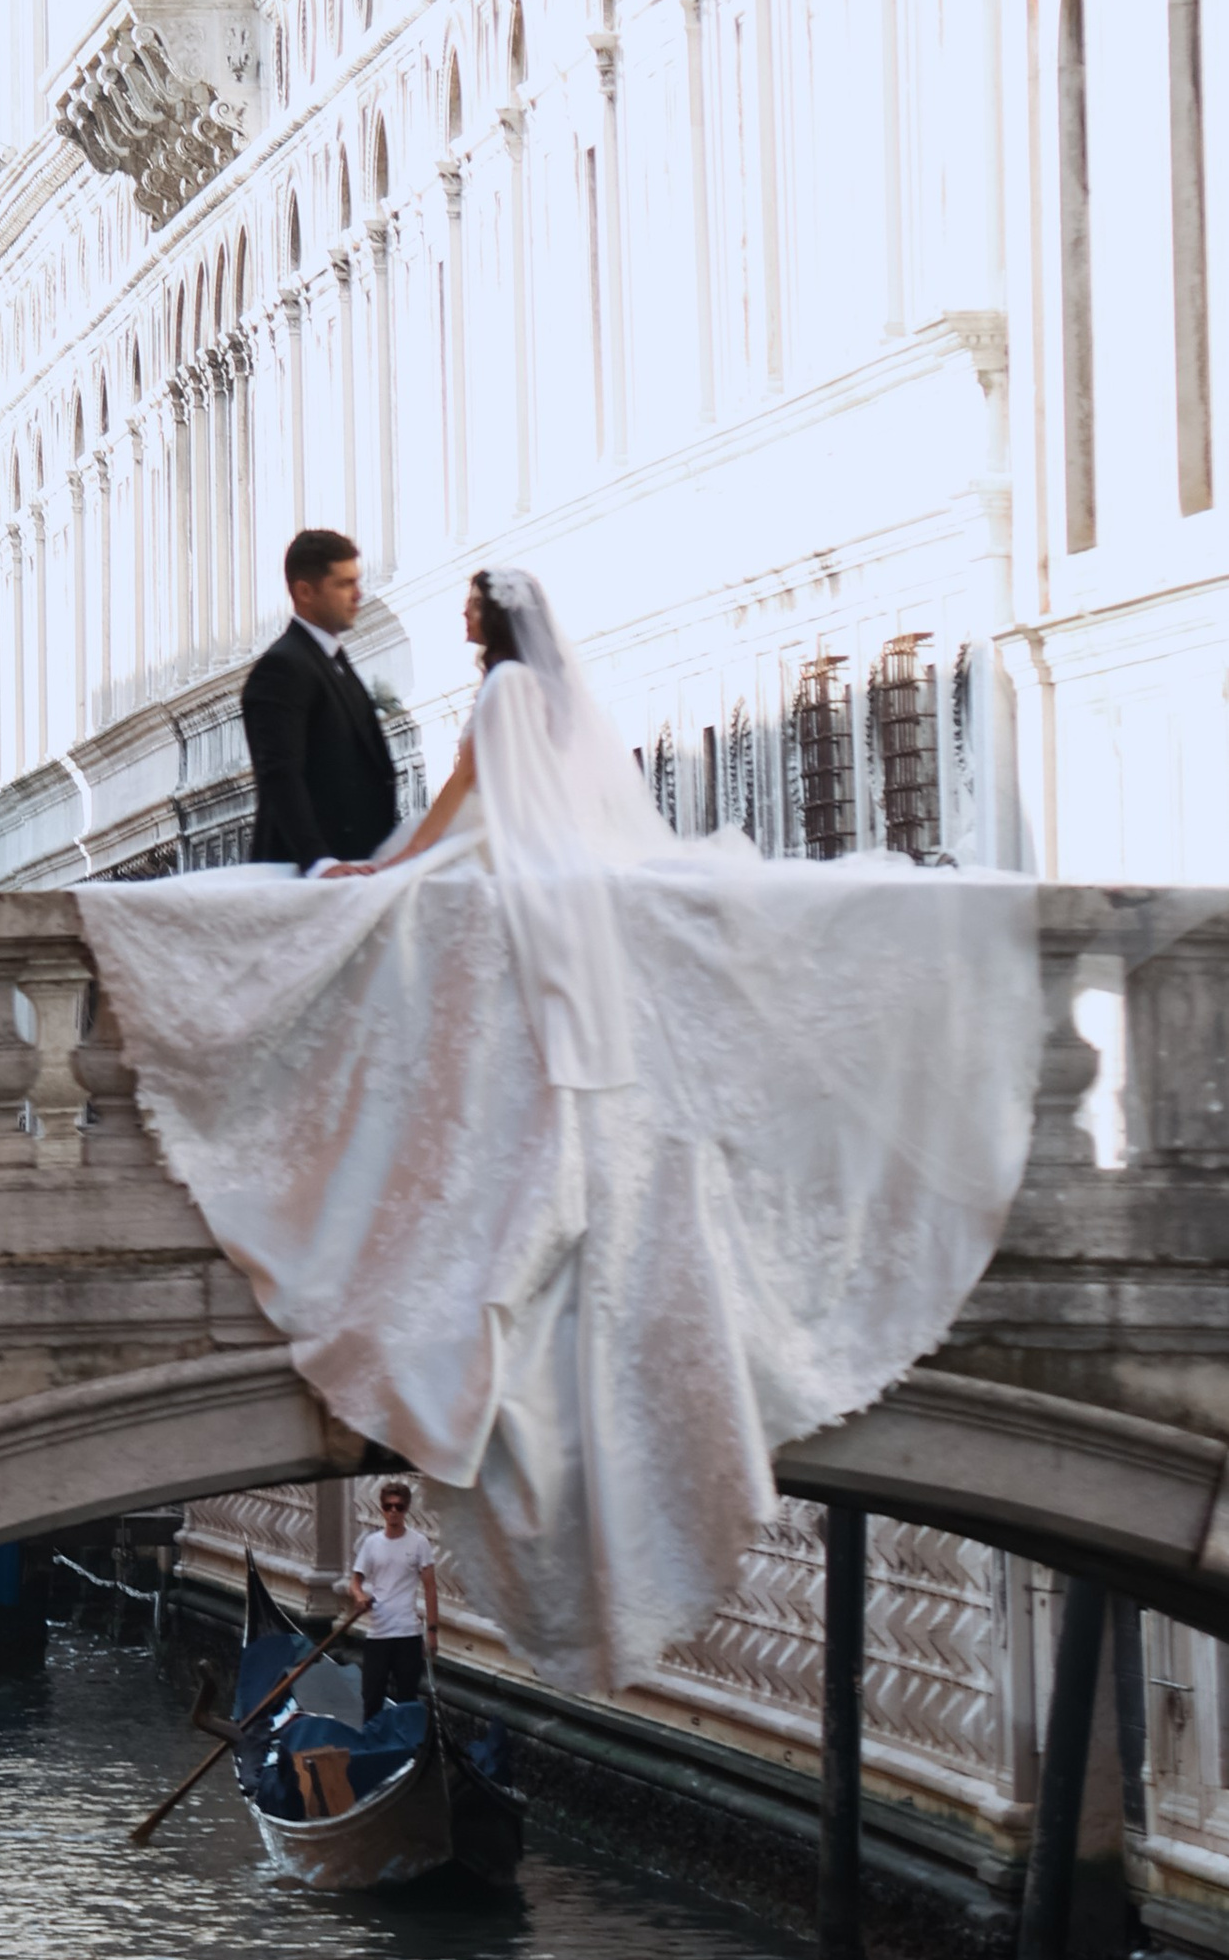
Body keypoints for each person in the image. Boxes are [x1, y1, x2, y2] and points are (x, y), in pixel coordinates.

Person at [77, 563, 1046, 1700]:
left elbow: (458, 810)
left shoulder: (494, 701)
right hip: (550, 904)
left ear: (493, 622)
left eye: (469, 610)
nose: (459, 620)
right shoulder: (550, 700)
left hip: (497, 894)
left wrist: (380, 866)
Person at [241, 529, 398, 871]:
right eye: (344, 584)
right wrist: (318, 861)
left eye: (357, 582)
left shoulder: (332, 659)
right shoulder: (281, 667)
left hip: (357, 865)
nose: (358, 595)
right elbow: (280, 773)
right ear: (305, 592)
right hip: (308, 876)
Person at [351, 1478, 438, 1715]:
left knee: (407, 1700)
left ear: (406, 1509)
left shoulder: (419, 1543)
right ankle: (371, 1746)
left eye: (398, 1507)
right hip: (378, 1632)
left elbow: (430, 1587)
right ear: (382, 1509)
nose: (393, 1512)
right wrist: (359, 1596)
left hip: (408, 1633)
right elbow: (356, 1580)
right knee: (371, 1698)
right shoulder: (371, 1543)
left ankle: (406, 1749)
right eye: (388, 1506)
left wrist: (431, 1631)